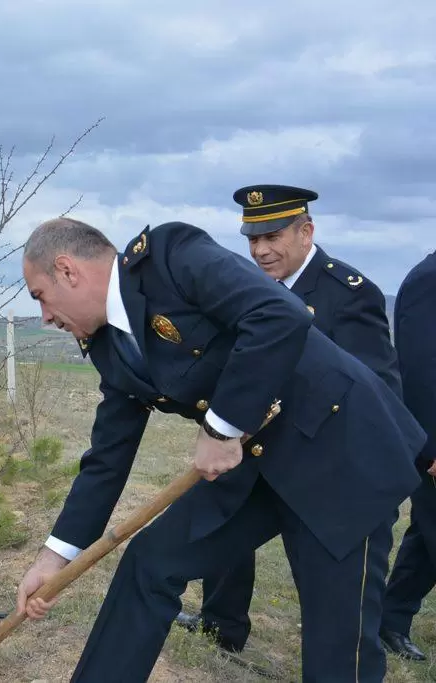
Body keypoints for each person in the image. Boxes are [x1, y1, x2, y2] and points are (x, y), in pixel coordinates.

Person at [13, 216, 425, 682]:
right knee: (151, 564)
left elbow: (277, 315)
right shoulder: (109, 344)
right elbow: (108, 457)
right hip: (255, 467)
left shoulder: (171, 256)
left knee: (337, 646)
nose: (45, 316)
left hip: (342, 454)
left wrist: (221, 429)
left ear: (67, 270)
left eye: (40, 296)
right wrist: (53, 559)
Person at [173, 185, 402, 654]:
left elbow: (375, 388)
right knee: (216, 526)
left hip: (323, 459)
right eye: (252, 240)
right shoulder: (247, 291)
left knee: (334, 598)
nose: (260, 251)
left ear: (306, 231)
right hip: (256, 448)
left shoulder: (347, 293)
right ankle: (222, 624)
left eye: (272, 237)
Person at [377, 250, 436, 661]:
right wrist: (431, 448)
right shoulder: (429, 279)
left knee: (426, 532)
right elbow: (419, 369)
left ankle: (392, 619)